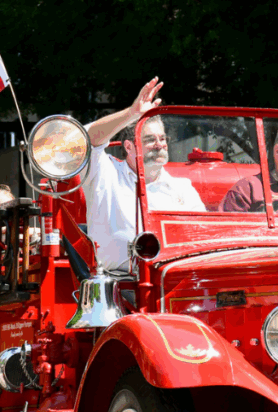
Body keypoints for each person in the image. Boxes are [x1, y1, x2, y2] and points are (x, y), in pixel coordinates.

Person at [82, 77, 206, 270]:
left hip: (175, 279)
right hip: (119, 283)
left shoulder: (183, 188)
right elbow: (87, 141)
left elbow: (203, 237)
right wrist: (132, 113)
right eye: (150, 139)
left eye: (162, 138)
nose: (159, 145)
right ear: (129, 147)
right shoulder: (106, 174)